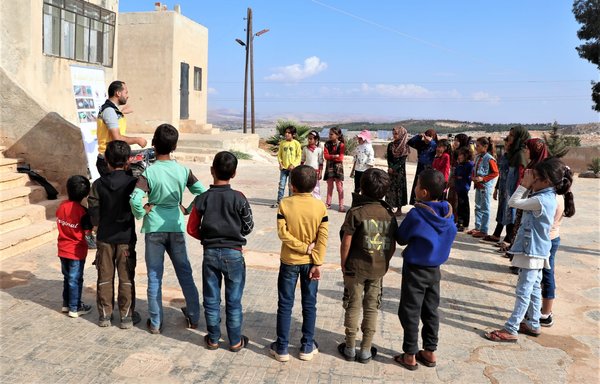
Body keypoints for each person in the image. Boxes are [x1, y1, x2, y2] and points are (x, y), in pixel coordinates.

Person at [130, 124, 206, 334]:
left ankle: (155, 322)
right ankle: (193, 316)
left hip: (154, 228)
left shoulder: (149, 172)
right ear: (174, 146)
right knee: (185, 273)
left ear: (153, 144)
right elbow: (203, 193)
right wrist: (187, 208)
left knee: (154, 276)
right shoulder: (183, 171)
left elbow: (136, 200)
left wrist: (142, 213)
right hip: (176, 225)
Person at [484, 158, 571, 342]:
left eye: (535, 179)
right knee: (533, 288)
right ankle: (533, 323)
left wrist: (523, 185)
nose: (532, 181)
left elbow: (513, 202)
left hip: (532, 251)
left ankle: (512, 328)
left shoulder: (541, 199)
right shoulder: (547, 195)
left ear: (546, 181)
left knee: (523, 290)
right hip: (537, 250)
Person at [187, 151, 254, 351]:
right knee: (233, 300)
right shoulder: (239, 198)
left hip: (210, 253)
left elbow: (191, 228)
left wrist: (207, 238)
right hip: (234, 253)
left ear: (211, 171)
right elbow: (248, 226)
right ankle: (234, 340)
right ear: (234, 174)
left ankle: (213, 338)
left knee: (211, 298)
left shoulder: (202, 198)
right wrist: (234, 232)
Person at [393, 169, 457, 370]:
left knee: (410, 311)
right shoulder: (447, 212)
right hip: (435, 270)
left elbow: (401, 238)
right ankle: (430, 351)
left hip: (415, 270)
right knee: (431, 310)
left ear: (424, 193)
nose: (416, 188)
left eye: (418, 185)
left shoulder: (417, 213)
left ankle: (410, 354)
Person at [338, 168, 397, 364]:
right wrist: (385, 264)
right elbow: (392, 245)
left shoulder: (356, 212)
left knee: (353, 305)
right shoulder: (389, 214)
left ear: (361, 188)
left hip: (355, 268)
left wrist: (343, 263)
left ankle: (349, 347)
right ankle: (365, 350)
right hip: (378, 269)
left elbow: (346, 241)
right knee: (372, 307)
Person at [270, 165, 328, 362]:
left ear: (292, 185)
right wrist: (316, 260)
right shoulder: (320, 207)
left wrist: (301, 247)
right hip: (312, 263)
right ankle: (306, 346)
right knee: (310, 304)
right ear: (314, 186)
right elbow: (323, 237)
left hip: (289, 261)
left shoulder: (284, 204)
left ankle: (282, 348)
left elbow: (282, 234)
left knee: (285, 304)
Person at [88, 140, 140, 328]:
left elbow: (93, 207)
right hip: (126, 238)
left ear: (107, 161)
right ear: (127, 160)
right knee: (126, 277)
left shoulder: (98, 184)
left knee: (104, 276)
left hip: (104, 238)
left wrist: (96, 226)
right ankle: (126, 317)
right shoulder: (133, 183)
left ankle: (105, 316)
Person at [540, 166, 575, 327]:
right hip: (552, 238)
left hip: (547, 240)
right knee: (545, 274)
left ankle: (546, 313)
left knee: (547, 275)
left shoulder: (552, 198)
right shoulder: (558, 195)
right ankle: (543, 310)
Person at [56, 175, 93, 318]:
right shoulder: (83, 212)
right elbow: (87, 232)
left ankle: (66, 303)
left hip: (62, 248)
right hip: (76, 251)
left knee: (67, 278)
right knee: (75, 279)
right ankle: (75, 307)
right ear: (85, 194)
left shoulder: (61, 207)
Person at [96, 81, 147, 177]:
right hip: (110, 161)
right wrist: (137, 139)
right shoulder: (109, 111)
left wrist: (121, 112)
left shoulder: (111, 110)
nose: (128, 96)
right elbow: (117, 137)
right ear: (118, 93)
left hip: (114, 157)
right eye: (126, 92)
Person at [498, 126, 530, 251]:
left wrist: (518, 192)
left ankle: (510, 241)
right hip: (508, 189)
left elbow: (521, 174)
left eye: (512, 135)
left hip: (515, 191)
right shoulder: (513, 153)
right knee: (508, 214)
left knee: (513, 215)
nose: (509, 137)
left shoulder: (521, 154)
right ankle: (508, 239)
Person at [467, 137, 498, 238]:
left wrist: (483, 179)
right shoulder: (478, 157)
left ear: (485, 146)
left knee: (485, 208)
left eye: (478, 145)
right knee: (478, 207)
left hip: (485, 187)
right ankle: (478, 227)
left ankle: (484, 230)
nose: (476, 147)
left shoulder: (489, 158)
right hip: (478, 186)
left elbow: (495, 173)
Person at [482, 137, 510, 243]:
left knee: (508, 213)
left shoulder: (514, 158)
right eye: (505, 145)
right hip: (502, 187)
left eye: (508, 145)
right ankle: (497, 234)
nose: (507, 147)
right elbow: (501, 173)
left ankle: (508, 237)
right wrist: (496, 188)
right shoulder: (504, 157)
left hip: (510, 189)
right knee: (501, 211)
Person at [271, 126, 301, 208]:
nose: (286, 134)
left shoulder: (296, 144)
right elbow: (279, 154)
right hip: (284, 168)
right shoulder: (282, 143)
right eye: (286, 132)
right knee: (281, 185)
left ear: (293, 134)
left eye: (289, 133)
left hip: (292, 169)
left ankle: (291, 202)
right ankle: (279, 201)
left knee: (291, 186)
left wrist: (293, 164)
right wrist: (280, 163)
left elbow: (299, 156)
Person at [407, 129, 438, 205]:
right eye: (426, 135)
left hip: (430, 169)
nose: (427, 138)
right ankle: (416, 203)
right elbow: (410, 142)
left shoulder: (435, 145)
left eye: (429, 136)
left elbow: (436, 147)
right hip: (420, 168)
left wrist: (431, 141)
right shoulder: (421, 144)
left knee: (428, 187)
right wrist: (418, 136)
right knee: (419, 185)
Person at [385, 125, 409, 216]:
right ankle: (389, 207)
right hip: (391, 171)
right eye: (393, 134)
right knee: (390, 189)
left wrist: (394, 168)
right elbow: (389, 158)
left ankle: (399, 209)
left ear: (402, 134)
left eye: (396, 134)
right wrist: (390, 167)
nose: (394, 136)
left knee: (399, 189)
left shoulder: (405, 147)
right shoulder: (390, 145)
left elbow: (402, 161)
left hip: (400, 172)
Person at [323, 126, 346, 212]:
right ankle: (328, 203)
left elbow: (340, 158)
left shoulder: (341, 145)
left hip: (338, 168)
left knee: (339, 187)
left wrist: (331, 157)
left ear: (338, 135)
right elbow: (326, 156)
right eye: (329, 134)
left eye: (331, 134)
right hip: (329, 167)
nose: (329, 135)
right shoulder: (327, 144)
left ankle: (341, 205)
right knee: (329, 186)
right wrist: (334, 156)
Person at [454, 147, 474, 232]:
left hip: (464, 187)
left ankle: (464, 223)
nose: (459, 156)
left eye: (461, 155)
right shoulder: (460, 164)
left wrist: (462, 177)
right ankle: (460, 222)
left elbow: (469, 175)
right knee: (460, 205)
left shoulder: (469, 164)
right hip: (458, 186)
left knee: (464, 206)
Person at [301, 130, 324, 199]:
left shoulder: (319, 150)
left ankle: (317, 200)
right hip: (306, 171)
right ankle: (307, 200)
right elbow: (303, 159)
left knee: (316, 187)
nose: (309, 140)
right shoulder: (305, 149)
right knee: (306, 185)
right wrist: (301, 169)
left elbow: (320, 162)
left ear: (316, 139)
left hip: (315, 171)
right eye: (308, 138)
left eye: (311, 138)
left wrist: (320, 172)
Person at [350, 130, 375, 194]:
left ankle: (364, 202)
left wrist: (370, 173)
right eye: (359, 138)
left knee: (365, 188)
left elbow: (371, 161)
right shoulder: (358, 148)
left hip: (365, 171)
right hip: (357, 170)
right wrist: (352, 170)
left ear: (365, 139)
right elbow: (355, 159)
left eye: (361, 138)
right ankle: (356, 202)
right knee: (357, 188)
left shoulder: (369, 148)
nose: (359, 140)